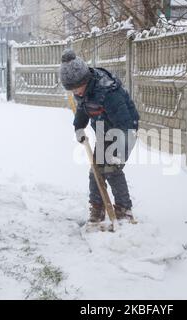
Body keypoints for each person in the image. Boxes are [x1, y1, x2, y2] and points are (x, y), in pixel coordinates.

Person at [60, 49, 140, 224]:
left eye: (77, 88)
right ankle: (97, 207)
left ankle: (124, 210)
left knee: (112, 169)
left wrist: (116, 150)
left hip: (124, 131)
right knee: (96, 170)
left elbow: (124, 121)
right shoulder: (83, 92)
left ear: (85, 80)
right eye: (71, 89)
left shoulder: (108, 92)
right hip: (104, 131)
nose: (76, 93)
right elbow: (82, 109)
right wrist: (79, 127)